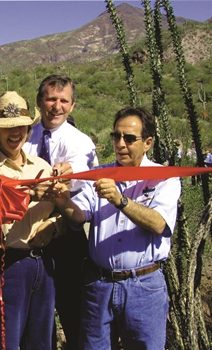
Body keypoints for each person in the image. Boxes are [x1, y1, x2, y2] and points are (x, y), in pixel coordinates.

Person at [53, 106, 181, 349]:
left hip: (144, 286)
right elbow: (80, 217)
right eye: (116, 136)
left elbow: (158, 223)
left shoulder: (165, 177)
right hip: (99, 285)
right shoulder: (100, 174)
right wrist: (62, 201)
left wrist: (120, 201)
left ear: (148, 143)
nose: (121, 144)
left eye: (130, 138)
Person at [0, 91, 65, 349]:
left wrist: (54, 227)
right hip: (5, 266)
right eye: (6, 128)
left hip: (43, 265)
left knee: (41, 342)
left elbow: (61, 212)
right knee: (4, 342)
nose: (14, 133)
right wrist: (33, 191)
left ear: (28, 129)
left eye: (20, 127)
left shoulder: (42, 165)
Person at [22, 74, 97, 349]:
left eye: (64, 100)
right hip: (26, 233)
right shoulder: (24, 136)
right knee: (35, 317)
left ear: (72, 106)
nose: (57, 106)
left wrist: (55, 222)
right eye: (51, 98)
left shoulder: (80, 143)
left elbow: (78, 187)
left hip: (66, 237)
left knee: (73, 311)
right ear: (39, 101)